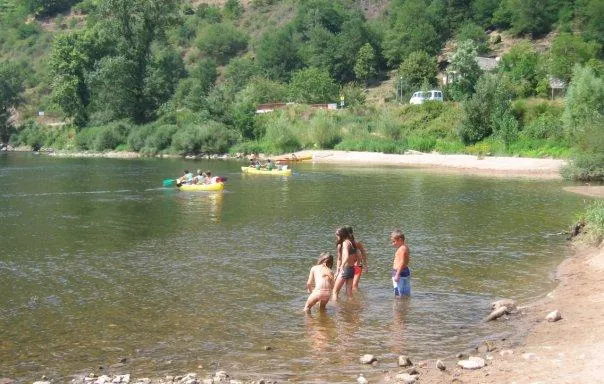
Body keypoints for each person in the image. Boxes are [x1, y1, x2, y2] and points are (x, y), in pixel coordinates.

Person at [332, 227, 357, 300]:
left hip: (345, 269)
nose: (336, 237)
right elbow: (339, 258)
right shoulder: (351, 242)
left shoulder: (345, 243)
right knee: (349, 293)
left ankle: (335, 308)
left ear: (341, 235)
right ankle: (353, 306)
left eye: (337, 235)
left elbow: (346, 256)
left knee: (335, 291)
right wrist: (337, 271)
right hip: (351, 269)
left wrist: (341, 267)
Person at [346, 226, 367, 292]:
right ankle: (354, 299)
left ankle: (357, 299)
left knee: (354, 285)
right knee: (349, 285)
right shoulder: (344, 244)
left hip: (357, 265)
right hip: (348, 266)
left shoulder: (357, 243)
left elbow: (363, 252)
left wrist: (365, 265)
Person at [391, 229, 411, 297]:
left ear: (400, 239)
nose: (393, 244)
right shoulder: (406, 247)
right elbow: (407, 260)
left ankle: (399, 306)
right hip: (406, 271)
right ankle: (405, 306)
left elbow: (402, 262)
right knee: (406, 292)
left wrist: (397, 274)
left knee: (398, 293)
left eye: (394, 241)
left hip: (398, 272)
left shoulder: (401, 249)